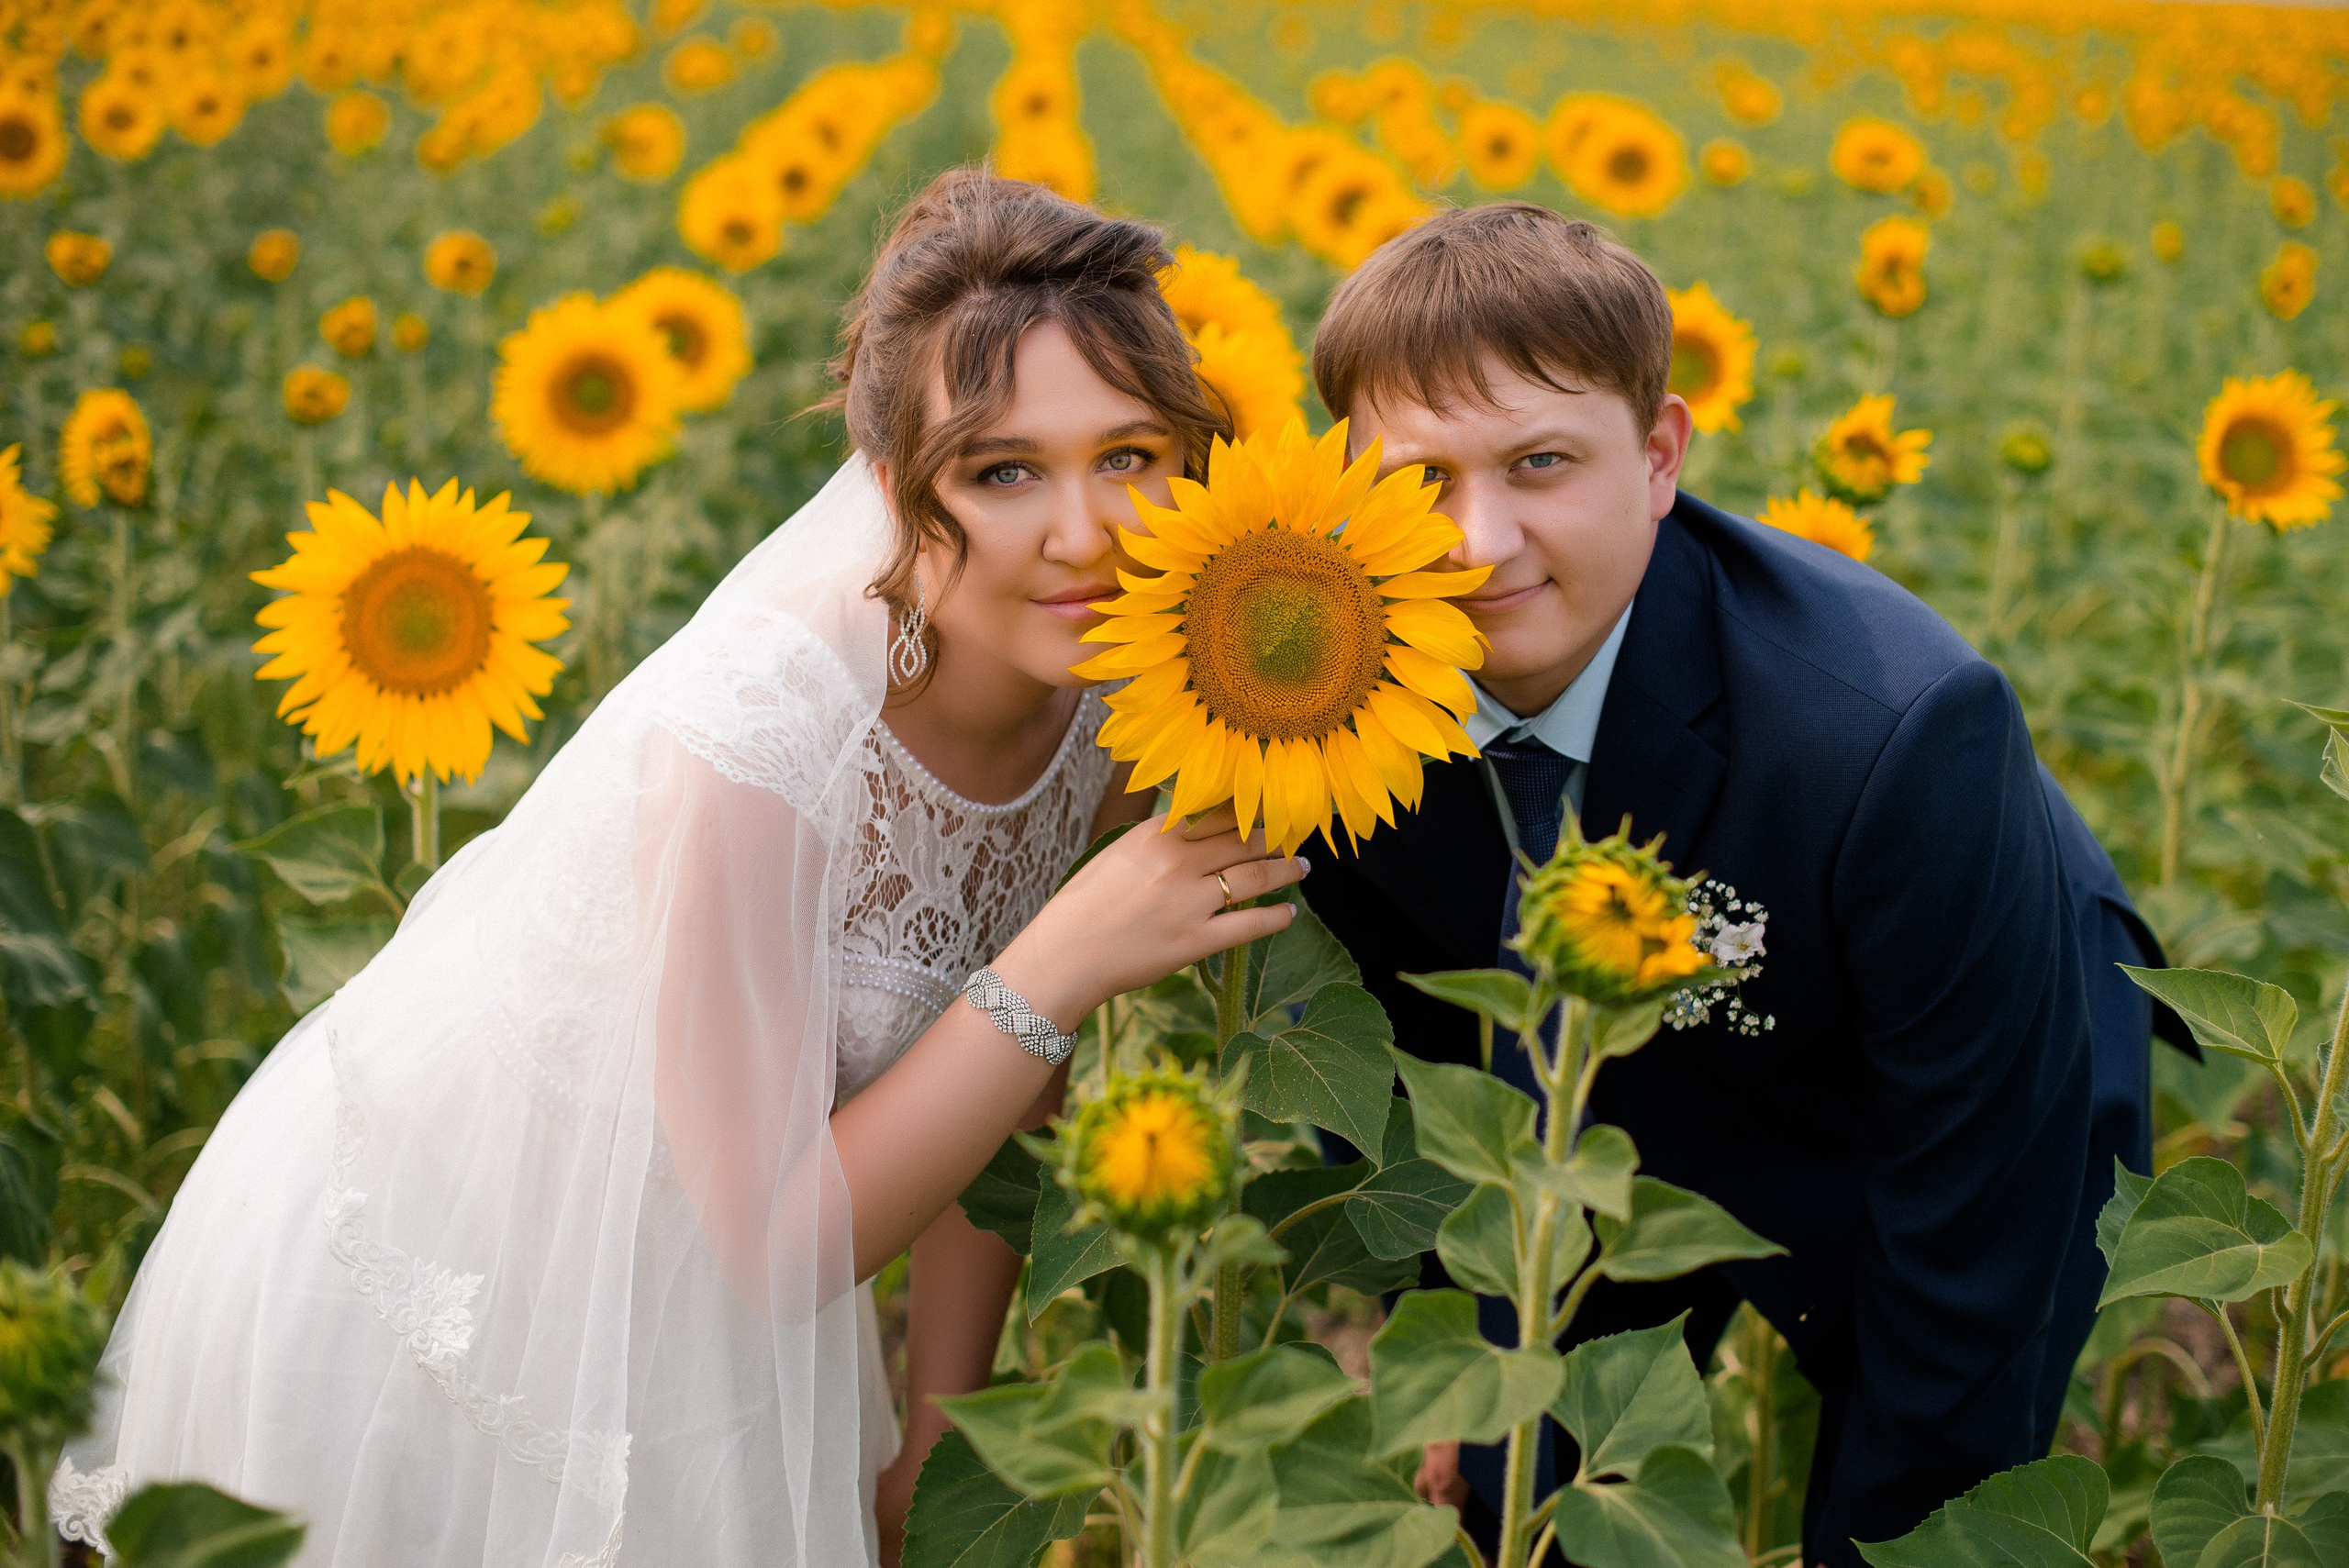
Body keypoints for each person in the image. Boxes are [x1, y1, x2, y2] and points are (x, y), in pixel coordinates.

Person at [53, 169, 1308, 1568]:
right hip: (450, 1283)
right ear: (894, 485)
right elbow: (778, 1244)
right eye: (1002, 470)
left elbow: (1007, 1071)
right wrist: (1071, 948)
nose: (1087, 534)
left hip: (702, 1265)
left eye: (1129, 455)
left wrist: (943, 1429)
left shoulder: (1118, 673)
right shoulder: (762, 738)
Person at [1297, 202, 2184, 1568]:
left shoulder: (1892, 733)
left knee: (1921, 1488)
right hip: (1596, 1094)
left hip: (1946, 1094)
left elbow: (1970, 1247)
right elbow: (1423, 1043)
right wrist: (1466, 1366)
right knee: (1526, 1493)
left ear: (1659, 456)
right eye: (1418, 482)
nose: (1477, 544)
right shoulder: (1342, 708)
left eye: (1541, 462)